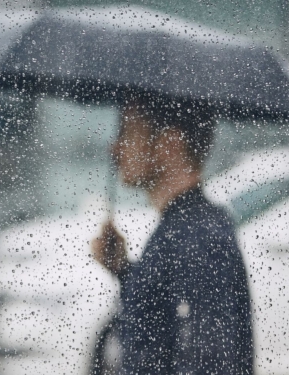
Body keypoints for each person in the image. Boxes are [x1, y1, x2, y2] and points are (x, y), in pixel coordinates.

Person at [92, 96, 254, 375]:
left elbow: (213, 359)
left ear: (170, 144)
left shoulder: (199, 236)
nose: (114, 149)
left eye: (127, 133)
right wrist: (122, 268)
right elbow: (162, 322)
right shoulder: (182, 226)